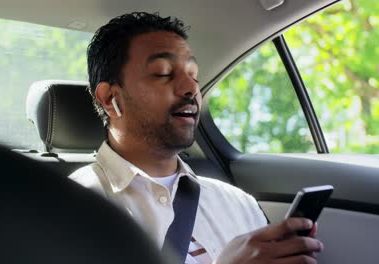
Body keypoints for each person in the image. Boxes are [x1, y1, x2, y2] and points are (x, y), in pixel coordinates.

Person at [70, 12, 323, 264]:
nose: (191, 88)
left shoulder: (238, 202)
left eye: (194, 75)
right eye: (163, 73)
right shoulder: (70, 208)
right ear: (109, 99)